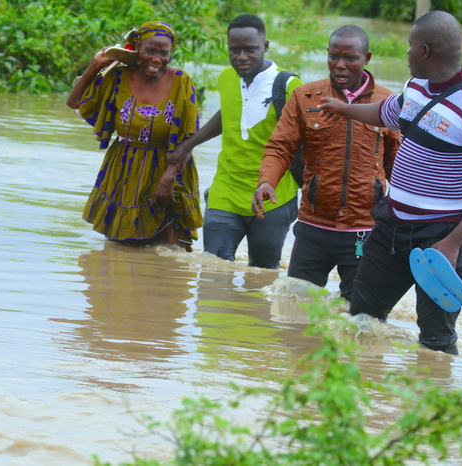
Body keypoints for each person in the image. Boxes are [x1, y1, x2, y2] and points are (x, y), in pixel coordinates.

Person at [316, 11, 462, 354]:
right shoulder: (415, 89)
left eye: (409, 46)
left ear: (424, 51)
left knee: (436, 340)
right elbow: (385, 113)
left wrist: (453, 244)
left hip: (444, 235)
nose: (404, 52)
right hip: (392, 226)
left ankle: (431, 402)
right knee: (362, 322)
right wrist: (343, 109)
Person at [253, 25, 400, 301]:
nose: (340, 66)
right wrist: (266, 181)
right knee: (295, 310)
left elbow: (397, 166)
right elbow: (280, 146)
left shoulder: (388, 103)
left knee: (360, 315)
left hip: (365, 231)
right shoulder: (305, 97)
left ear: (366, 58)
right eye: (333, 57)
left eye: (350, 59)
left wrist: (400, 218)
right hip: (313, 228)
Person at [167, 14, 302, 268]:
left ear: (265, 47)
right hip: (226, 190)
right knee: (213, 272)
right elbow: (230, 114)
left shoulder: (290, 86)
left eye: (250, 49)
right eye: (234, 50)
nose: (241, 57)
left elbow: (311, 137)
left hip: (274, 196)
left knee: (261, 276)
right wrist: (187, 146)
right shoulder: (226, 78)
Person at [67, 21, 202, 250]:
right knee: (119, 248)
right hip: (123, 171)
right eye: (150, 50)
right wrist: (95, 65)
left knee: (172, 250)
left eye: (164, 52)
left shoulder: (181, 80)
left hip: (169, 169)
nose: (157, 59)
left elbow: (189, 136)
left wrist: (168, 178)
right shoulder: (117, 77)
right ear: (137, 48)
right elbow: (75, 102)